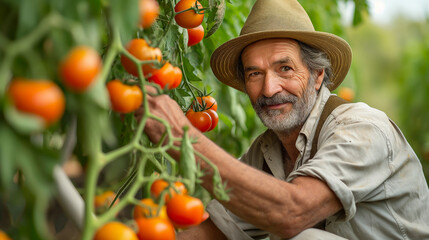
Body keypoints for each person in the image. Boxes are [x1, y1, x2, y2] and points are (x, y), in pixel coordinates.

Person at [140, 0, 429, 239]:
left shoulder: (363, 130)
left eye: (285, 68)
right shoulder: (266, 152)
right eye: (255, 73)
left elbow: (292, 212)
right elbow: (215, 232)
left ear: (317, 77)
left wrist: (181, 138)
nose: (269, 89)